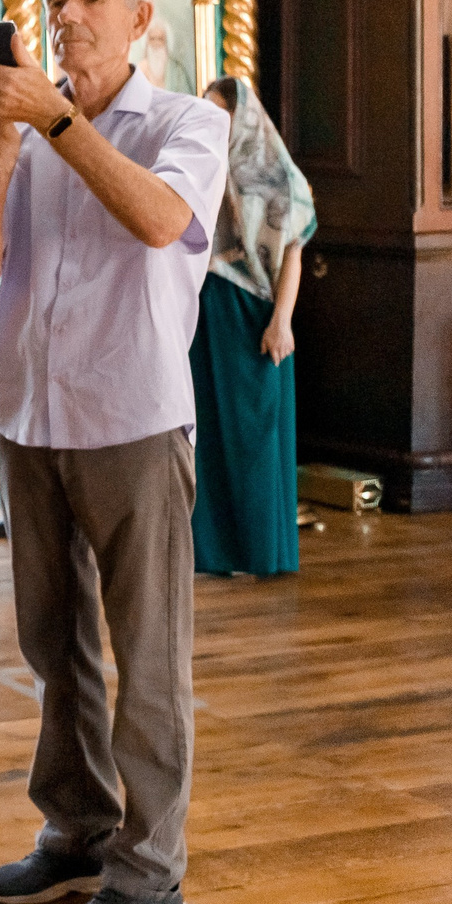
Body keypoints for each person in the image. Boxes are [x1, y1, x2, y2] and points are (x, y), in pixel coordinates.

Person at [0, 0, 229, 904]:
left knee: (145, 658)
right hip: (31, 413)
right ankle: (75, 829)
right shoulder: (22, 135)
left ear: (140, 20)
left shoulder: (185, 124)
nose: (65, 13)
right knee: (53, 646)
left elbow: (161, 219)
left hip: (131, 419)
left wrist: (55, 122)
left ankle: (151, 878)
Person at [190, 76, 316, 577]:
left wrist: (282, 321)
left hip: (253, 313)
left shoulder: (280, 178)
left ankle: (262, 551)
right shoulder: (198, 169)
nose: (210, 124)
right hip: (204, 310)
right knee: (207, 433)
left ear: (242, 119)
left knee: (255, 435)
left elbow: (293, 253)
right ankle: (212, 553)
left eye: (218, 115)